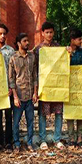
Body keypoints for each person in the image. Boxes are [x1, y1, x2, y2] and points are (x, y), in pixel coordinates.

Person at [34, 21, 64, 149]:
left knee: (58, 112)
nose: (49, 34)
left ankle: (57, 139)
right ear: (42, 33)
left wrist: (67, 52)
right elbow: (35, 69)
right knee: (43, 113)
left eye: (51, 32)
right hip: (44, 86)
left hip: (57, 86)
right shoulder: (38, 50)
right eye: (47, 32)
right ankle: (42, 139)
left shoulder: (59, 48)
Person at [9, 33, 38, 151]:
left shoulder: (32, 57)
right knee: (16, 122)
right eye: (25, 41)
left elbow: (35, 76)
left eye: (28, 41)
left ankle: (29, 143)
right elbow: (11, 79)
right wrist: (15, 97)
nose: (27, 43)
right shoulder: (13, 58)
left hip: (30, 96)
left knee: (30, 121)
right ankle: (16, 143)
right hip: (19, 97)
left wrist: (35, 92)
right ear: (19, 43)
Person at [66, 28, 82, 146]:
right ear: (72, 40)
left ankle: (80, 136)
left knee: (80, 109)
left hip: (81, 85)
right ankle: (71, 137)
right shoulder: (65, 52)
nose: (80, 41)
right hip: (68, 85)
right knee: (70, 110)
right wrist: (68, 56)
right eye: (79, 39)